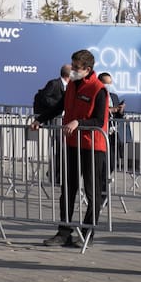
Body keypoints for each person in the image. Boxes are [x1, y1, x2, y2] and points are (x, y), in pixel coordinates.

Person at [32, 50, 110, 248]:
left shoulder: (98, 89)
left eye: (76, 68)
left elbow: (99, 120)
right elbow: (59, 107)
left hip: (93, 146)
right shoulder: (72, 86)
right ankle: (63, 232)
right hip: (72, 144)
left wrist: (78, 122)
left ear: (87, 69)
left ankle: (87, 233)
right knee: (68, 189)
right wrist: (39, 120)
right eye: (72, 66)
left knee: (92, 192)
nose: (72, 70)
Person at [97, 72, 129, 169]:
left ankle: (106, 181)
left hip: (112, 133)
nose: (109, 86)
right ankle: (101, 182)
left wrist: (120, 110)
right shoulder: (96, 95)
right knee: (100, 162)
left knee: (111, 162)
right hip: (101, 132)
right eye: (107, 83)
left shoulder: (114, 96)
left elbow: (118, 116)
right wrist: (111, 109)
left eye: (110, 83)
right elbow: (96, 111)